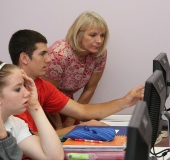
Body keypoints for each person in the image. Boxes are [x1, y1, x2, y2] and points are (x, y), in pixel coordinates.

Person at [8, 29, 144, 138]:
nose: (49, 59)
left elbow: (82, 111)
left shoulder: (42, 85)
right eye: (42, 54)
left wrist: (126, 101)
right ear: (24, 58)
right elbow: (30, 139)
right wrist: (78, 129)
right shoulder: (10, 91)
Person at [0, 61, 101, 160]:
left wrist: (35, 106)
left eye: (24, 86)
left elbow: (54, 156)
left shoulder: (14, 123)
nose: (27, 93)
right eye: (17, 89)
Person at [44, 11, 109, 128]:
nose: (99, 40)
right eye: (93, 35)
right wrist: (59, 126)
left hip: (68, 105)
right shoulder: (60, 54)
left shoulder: (100, 54)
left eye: (102, 35)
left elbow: (90, 89)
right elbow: (47, 94)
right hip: (45, 104)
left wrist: (71, 120)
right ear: (78, 34)